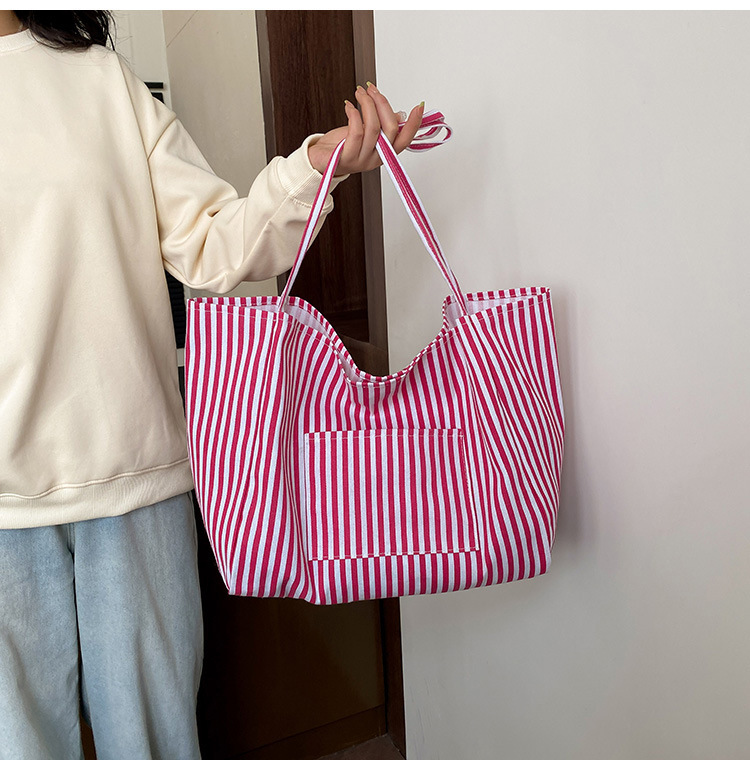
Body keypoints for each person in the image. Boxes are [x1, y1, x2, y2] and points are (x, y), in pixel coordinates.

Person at [0, 9, 424, 760]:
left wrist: (314, 165)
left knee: (156, 745)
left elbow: (211, 242)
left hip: (134, 474)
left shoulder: (99, 79)